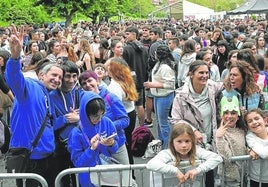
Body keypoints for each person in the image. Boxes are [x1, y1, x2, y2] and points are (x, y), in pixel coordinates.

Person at [5, 34, 63, 187]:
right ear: (42, 75)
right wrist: (15, 56)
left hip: (48, 157)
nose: (57, 80)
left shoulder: (48, 94)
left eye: (60, 77)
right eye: (54, 75)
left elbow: (48, 124)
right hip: (30, 159)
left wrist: (67, 119)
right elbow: (13, 78)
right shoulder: (29, 87)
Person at [171, 60, 223, 187]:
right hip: (190, 145)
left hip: (209, 143)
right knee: (193, 179)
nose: (205, 75)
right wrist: (193, 131)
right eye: (201, 72)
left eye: (207, 72)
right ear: (191, 74)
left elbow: (228, 84)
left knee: (209, 175)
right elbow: (175, 120)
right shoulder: (181, 96)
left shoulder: (212, 87)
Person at [78, 70, 130, 164]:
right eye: (84, 83)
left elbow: (125, 120)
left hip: (116, 144)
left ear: (97, 80)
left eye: (90, 80)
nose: (87, 85)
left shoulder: (110, 97)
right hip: (97, 147)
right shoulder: (84, 101)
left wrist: (108, 127)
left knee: (124, 175)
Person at [68, 91, 119, 187]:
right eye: (95, 116)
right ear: (85, 114)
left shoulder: (107, 122)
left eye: (102, 115)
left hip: (107, 175)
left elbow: (115, 149)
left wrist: (112, 144)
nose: (99, 119)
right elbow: (78, 163)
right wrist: (91, 149)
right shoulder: (76, 133)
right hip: (88, 180)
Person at [147, 123, 223, 186]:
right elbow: (151, 164)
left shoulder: (197, 150)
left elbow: (217, 158)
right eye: (179, 141)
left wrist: (197, 170)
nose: (184, 145)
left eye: (187, 141)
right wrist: (175, 171)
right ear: (172, 142)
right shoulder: (167, 153)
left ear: (192, 141)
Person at [49, 60, 82, 187]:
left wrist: (79, 117)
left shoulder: (78, 92)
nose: (71, 80)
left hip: (78, 144)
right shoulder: (52, 96)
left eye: (74, 76)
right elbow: (49, 125)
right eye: (68, 76)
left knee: (80, 178)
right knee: (64, 179)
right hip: (60, 147)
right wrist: (66, 119)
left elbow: (90, 118)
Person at [106, 57, 138, 176]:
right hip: (130, 113)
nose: (107, 68)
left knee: (124, 147)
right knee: (128, 144)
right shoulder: (126, 80)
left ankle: (129, 176)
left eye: (109, 66)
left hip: (123, 117)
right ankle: (131, 174)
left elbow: (116, 107)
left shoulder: (114, 87)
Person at [144, 44, 175, 149]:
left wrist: (153, 85)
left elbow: (170, 84)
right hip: (157, 95)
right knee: (159, 120)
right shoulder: (159, 64)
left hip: (164, 96)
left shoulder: (165, 67)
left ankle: (167, 146)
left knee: (163, 123)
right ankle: (160, 140)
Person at [215, 96, 247, 187]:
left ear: (238, 116)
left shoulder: (241, 130)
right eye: (226, 113)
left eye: (233, 113)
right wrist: (219, 137)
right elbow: (226, 157)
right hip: (229, 177)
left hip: (243, 174)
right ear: (221, 115)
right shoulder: (220, 133)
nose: (229, 116)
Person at [123, 26, 148, 127]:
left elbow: (123, 66)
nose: (126, 36)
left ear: (134, 34)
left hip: (129, 81)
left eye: (128, 34)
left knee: (129, 106)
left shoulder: (126, 49)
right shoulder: (144, 48)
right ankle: (142, 127)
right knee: (140, 104)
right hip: (141, 79)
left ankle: (129, 127)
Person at [244, 109, 268, 187]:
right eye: (250, 121)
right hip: (258, 179)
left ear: (265, 120)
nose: (254, 122)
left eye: (257, 118)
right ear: (248, 126)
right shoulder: (250, 137)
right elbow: (263, 154)